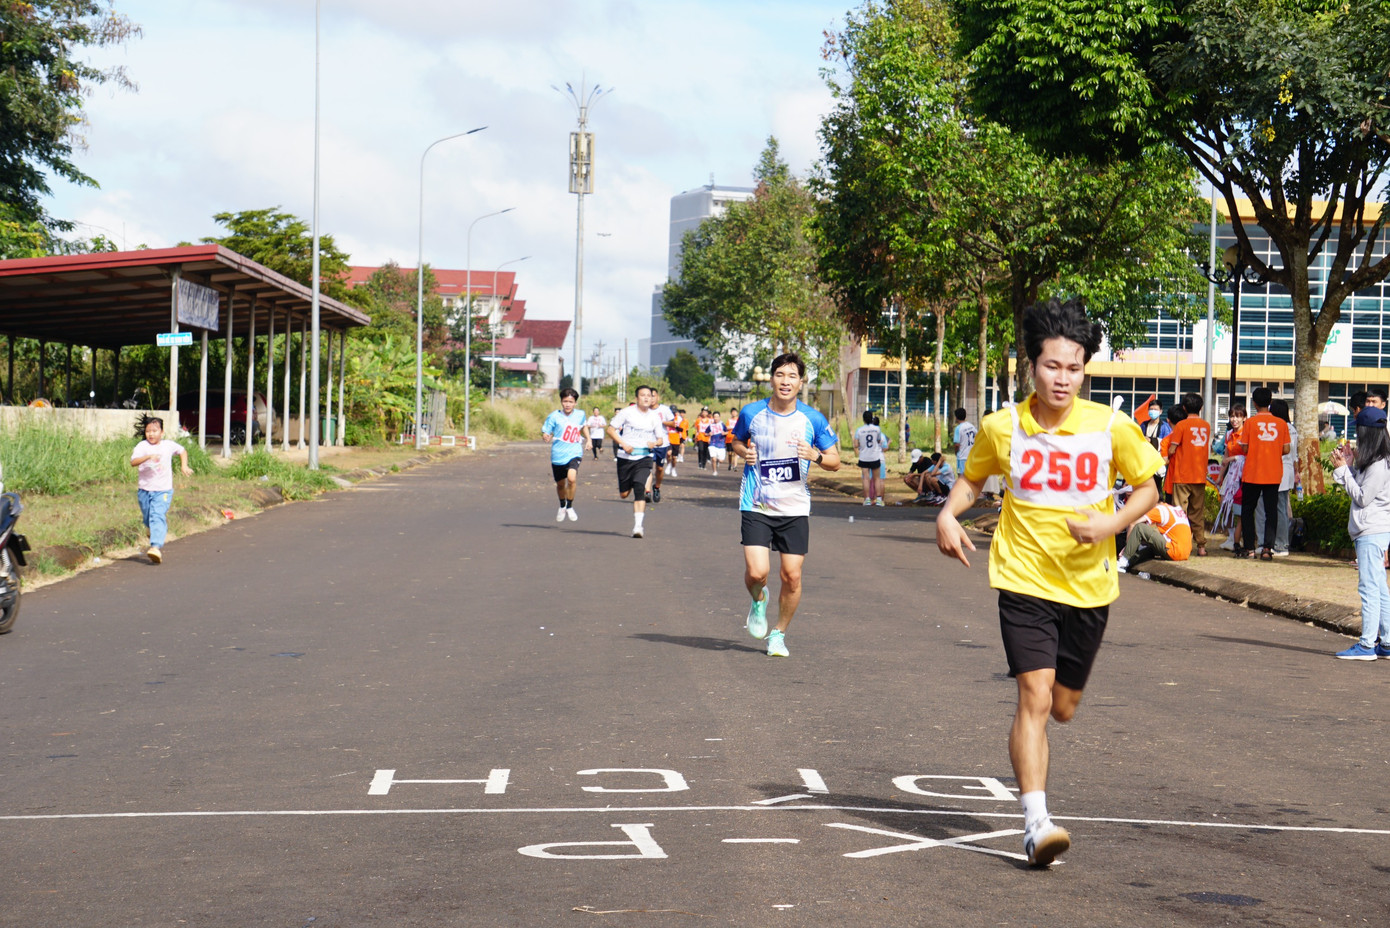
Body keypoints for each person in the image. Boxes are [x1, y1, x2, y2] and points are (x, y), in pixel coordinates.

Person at [935, 297, 1162, 868]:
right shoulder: (1002, 427)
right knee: (1034, 697)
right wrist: (947, 514)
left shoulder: (1111, 426)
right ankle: (1036, 824)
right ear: (1031, 366)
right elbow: (973, 480)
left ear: (1085, 370)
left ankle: (1043, 784)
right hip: (1023, 580)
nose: (1063, 378)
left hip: (1089, 590)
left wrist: (1110, 524)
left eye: (1074, 368)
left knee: (1062, 707)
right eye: (1053, 366)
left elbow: (1148, 489)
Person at [729, 352, 841, 658]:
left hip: (794, 508)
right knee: (757, 573)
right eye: (780, 374)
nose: (786, 381)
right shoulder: (752, 413)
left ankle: (778, 634)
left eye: (792, 376)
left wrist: (815, 455)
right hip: (757, 504)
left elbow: (835, 461)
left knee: (792, 576)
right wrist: (744, 452)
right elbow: (736, 440)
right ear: (771, 379)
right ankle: (758, 599)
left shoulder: (812, 419)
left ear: (801, 382)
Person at [1330, 406, 1390, 660]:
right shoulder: (1376, 461)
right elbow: (1364, 487)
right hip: (1373, 530)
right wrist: (1350, 467)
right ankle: (1386, 643)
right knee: (1379, 587)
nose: (1357, 438)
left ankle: (1366, 645)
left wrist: (1344, 471)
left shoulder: (1378, 464)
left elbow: (1363, 498)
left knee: (1369, 588)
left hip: (1370, 531)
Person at [1229, 387, 1290, 560]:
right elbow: (1286, 449)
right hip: (1273, 473)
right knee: (1272, 512)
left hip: (1252, 473)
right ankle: (1267, 549)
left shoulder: (1250, 423)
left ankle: (1249, 548)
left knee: (1248, 511)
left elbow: (1245, 448)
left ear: (1254, 403)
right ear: (1270, 402)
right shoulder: (1281, 423)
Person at [130, 414, 193, 564]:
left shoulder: (168, 445)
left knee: (157, 515)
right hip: (144, 490)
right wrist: (147, 457)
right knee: (148, 517)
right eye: (148, 431)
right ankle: (150, 529)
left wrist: (184, 466)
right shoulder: (142, 446)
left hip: (163, 490)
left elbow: (182, 451)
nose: (151, 434)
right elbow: (133, 462)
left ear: (162, 432)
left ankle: (155, 547)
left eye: (154, 431)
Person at [607, 386, 669, 538]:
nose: (647, 398)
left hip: (644, 457)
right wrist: (623, 444)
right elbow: (610, 430)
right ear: (637, 398)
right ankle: (627, 486)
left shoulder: (655, 417)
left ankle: (638, 526)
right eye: (643, 395)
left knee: (640, 488)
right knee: (624, 494)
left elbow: (660, 439)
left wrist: (654, 443)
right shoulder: (627, 412)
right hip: (625, 457)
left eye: (649, 395)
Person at [1162, 392, 1211, 556]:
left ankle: (1181, 544)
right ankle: (1201, 546)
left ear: (1184, 408)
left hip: (1182, 475)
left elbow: (1172, 448)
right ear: (1201, 408)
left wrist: (1170, 453)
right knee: (1197, 513)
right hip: (1199, 475)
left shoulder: (1181, 425)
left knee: (1179, 512)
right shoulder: (1206, 426)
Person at [542, 388, 589, 523]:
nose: (568, 404)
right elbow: (547, 431)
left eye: (571, 402)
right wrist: (546, 436)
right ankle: (562, 505)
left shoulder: (580, 414)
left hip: (574, 452)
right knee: (561, 484)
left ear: (575, 403)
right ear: (561, 402)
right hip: (558, 454)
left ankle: (570, 506)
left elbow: (583, 426)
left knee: (572, 479)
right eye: (565, 401)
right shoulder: (554, 416)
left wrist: (589, 439)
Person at [1118, 490, 1192, 572]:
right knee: (1149, 545)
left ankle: (1123, 561)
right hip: (1185, 553)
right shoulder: (1172, 509)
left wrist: (1126, 549)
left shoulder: (1158, 509)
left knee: (1140, 528)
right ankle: (1127, 563)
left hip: (1174, 550)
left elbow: (1133, 524)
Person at [1216, 404, 1247, 550]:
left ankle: (1240, 538)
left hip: (1244, 474)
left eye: (1238, 416)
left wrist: (1234, 458)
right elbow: (1225, 457)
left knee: (1241, 507)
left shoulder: (1246, 433)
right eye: (1232, 416)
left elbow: (1248, 455)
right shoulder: (1229, 434)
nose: (1234, 419)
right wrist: (1220, 476)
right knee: (1224, 503)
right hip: (1231, 474)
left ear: (1244, 418)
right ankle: (1231, 535)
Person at [853, 410, 889, 506]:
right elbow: (878, 440)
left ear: (863, 419)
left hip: (864, 456)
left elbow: (855, 444)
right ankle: (879, 499)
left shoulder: (859, 430)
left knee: (866, 478)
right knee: (877, 478)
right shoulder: (877, 429)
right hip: (875, 456)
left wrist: (861, 444)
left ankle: (867, 499)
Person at [952, 408, 977, 480]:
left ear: (956, 417)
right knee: (971, 476)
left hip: (962, 457)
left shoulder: (958, 428)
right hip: (971, 456)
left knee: (961, 477)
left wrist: (956, 452)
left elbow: (957, 444)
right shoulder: (972, 426)